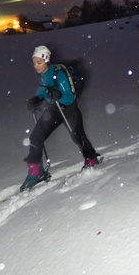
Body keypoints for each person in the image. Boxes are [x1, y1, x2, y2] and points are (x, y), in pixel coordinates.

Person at [21, 45, 101, 191]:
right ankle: (35, 171)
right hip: (54, 110)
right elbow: (42, 91)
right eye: (34, 63)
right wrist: (36, 100)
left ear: (46, 60)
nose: (36, 66)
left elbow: (69, 97)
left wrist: (58, 95)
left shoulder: (59, 72)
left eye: (39, 63)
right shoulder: (42, 75)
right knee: (35, 137)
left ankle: (91, 158)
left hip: (68, 109)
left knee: (77, 136)